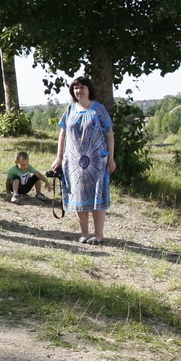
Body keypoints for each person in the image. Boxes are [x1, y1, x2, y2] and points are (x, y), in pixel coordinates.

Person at [51, 75, 114, 243]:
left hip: (97, 161)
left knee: (97, 197)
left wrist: (111, 158)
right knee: (79, 197)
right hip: (74, 163)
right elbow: (62, 133)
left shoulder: (99, 109)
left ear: (89, 89)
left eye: (82, 87)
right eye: (75, 88)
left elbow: (109, 133)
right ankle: (85, 234)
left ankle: (99, 235)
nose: (78, 91)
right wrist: (59, 157)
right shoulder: (70, 110)